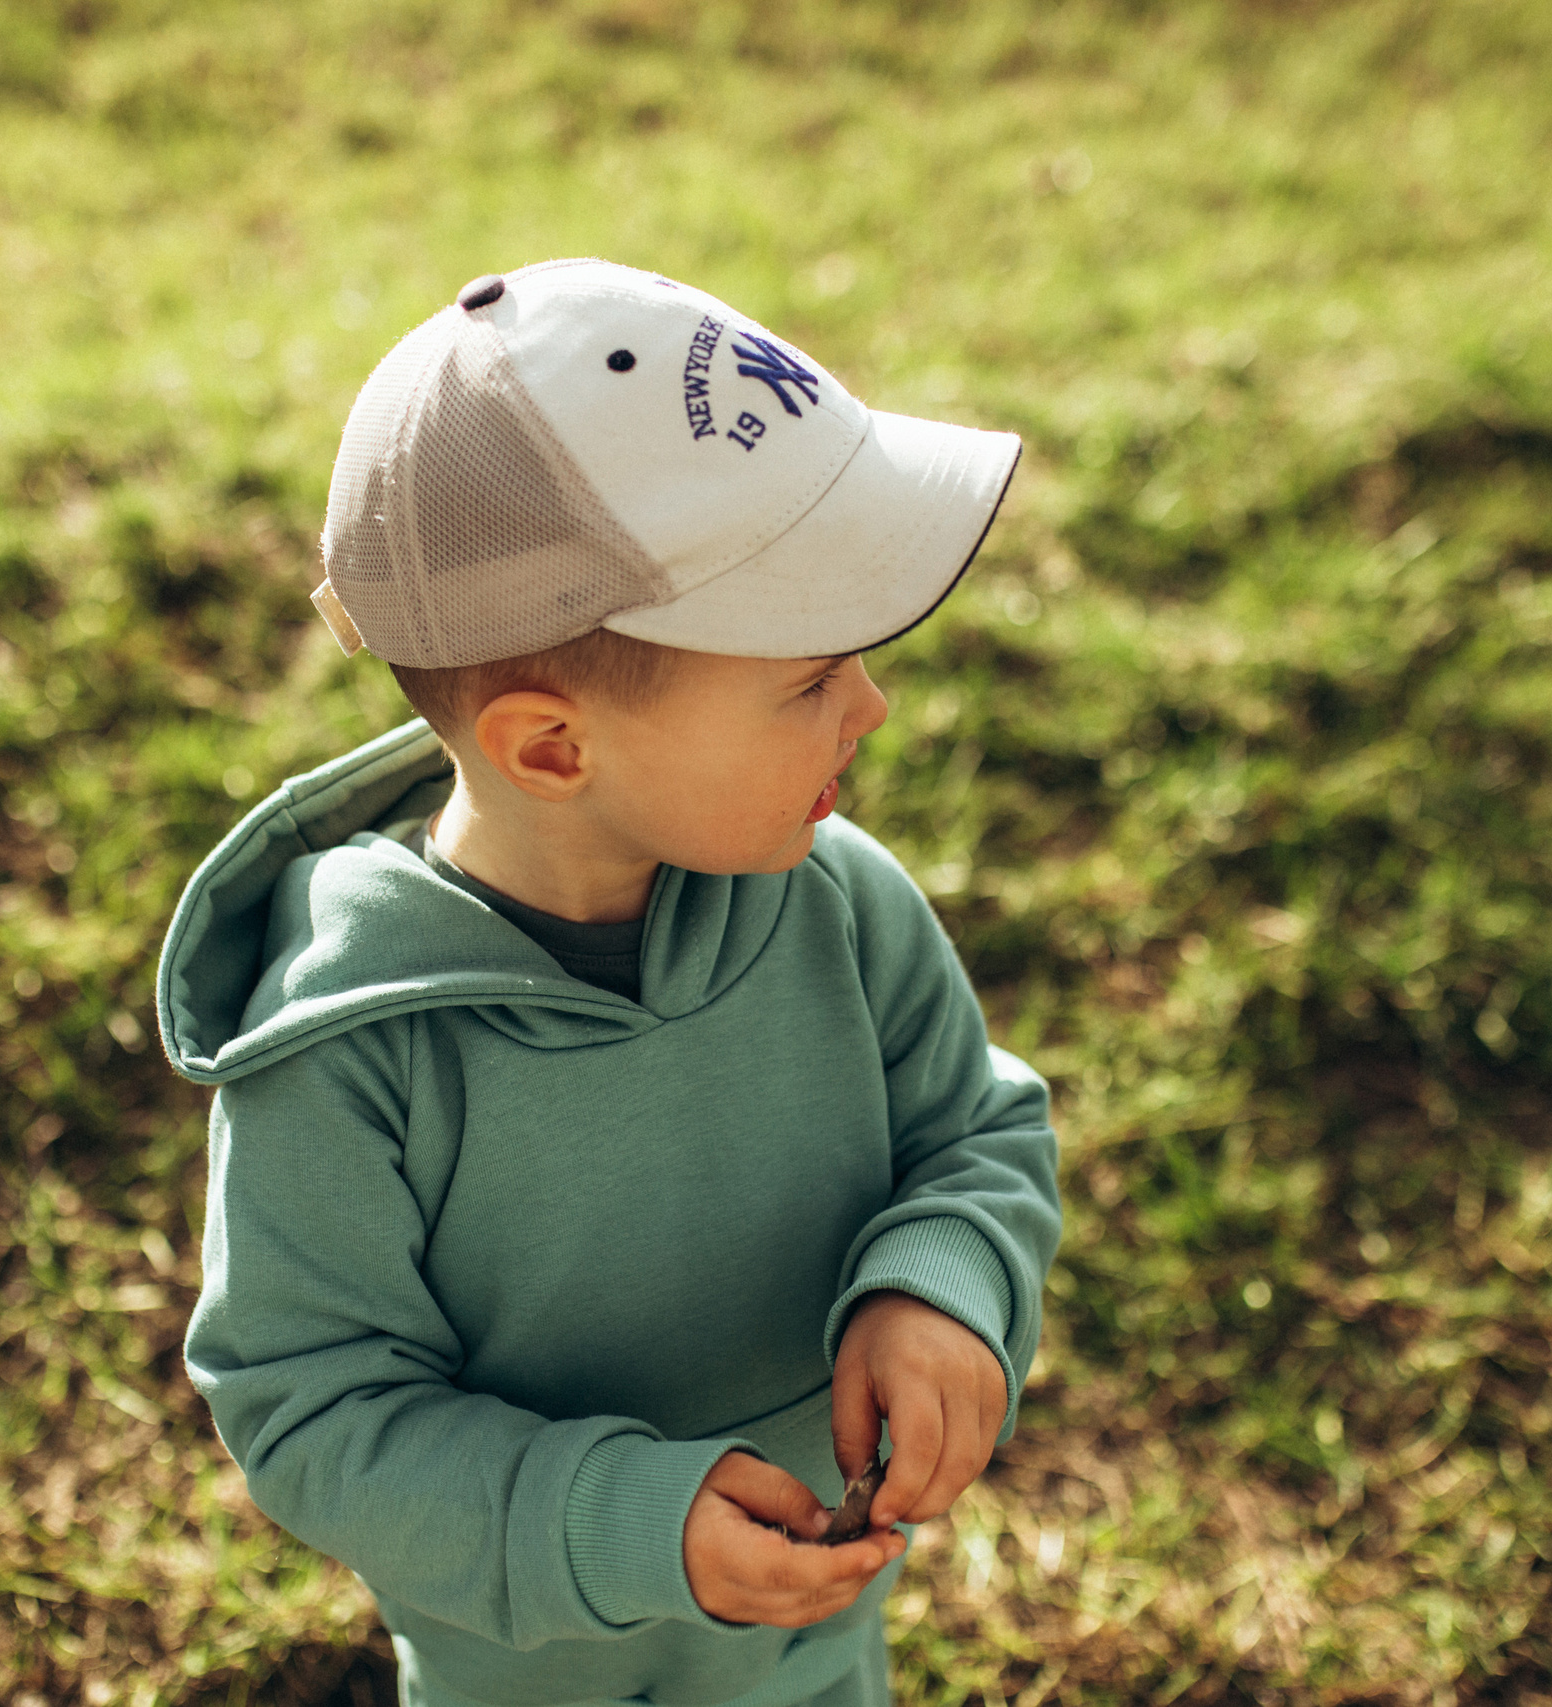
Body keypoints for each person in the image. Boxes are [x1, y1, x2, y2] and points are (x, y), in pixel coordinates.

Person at [156, 258, 1061, 1707]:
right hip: (529, 1662)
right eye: (809, 678)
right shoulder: (342, 1053)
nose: (871, 708)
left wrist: (939, 1285)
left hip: (808, 1641)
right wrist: (623, 1524)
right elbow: (315, 1408)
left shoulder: (838, 903)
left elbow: (976, 1130)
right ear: (553, 749)